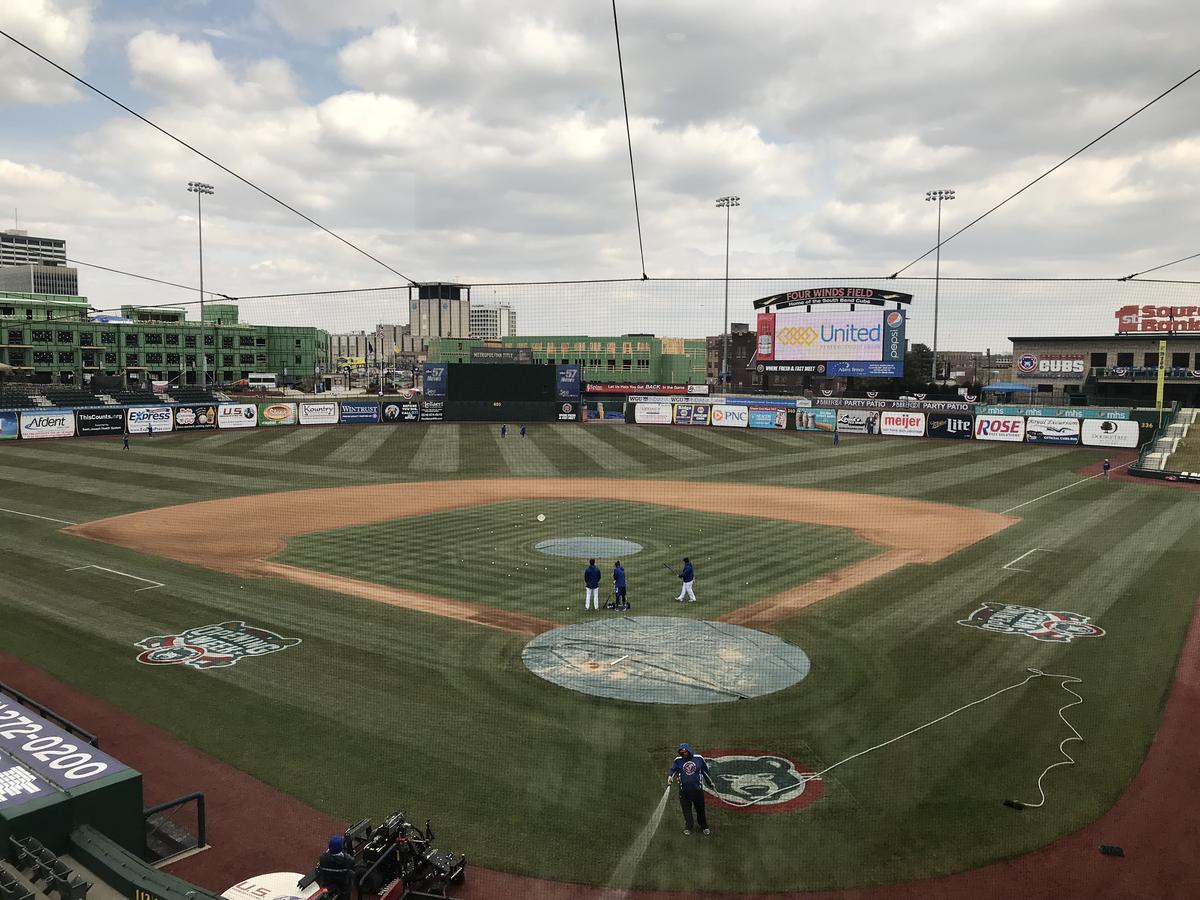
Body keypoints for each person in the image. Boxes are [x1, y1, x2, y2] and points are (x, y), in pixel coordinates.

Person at [667, 742, 715, 836]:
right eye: (682, 752)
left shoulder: (699, 758)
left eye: (685, 751)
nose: (684, 753)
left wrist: (710, 783)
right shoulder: (678, 760)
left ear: (689, 750)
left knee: (700, 810)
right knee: (686, 811)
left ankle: (704, 826)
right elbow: (672, 770)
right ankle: (689, 826)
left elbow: (705, 772)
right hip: (684, 792)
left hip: (698, 791)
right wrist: (670, 776)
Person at [315, 834, 355, 898]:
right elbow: (351, 861)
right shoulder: (348, 860)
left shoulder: (322, 858)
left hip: (328, 885)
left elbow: (324, 858)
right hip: (343, 887)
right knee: (352, 874)